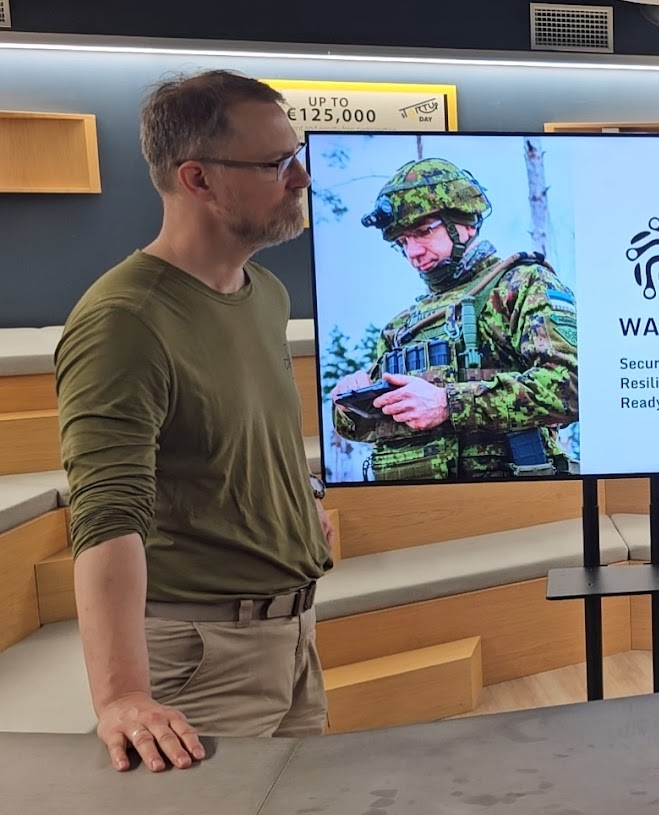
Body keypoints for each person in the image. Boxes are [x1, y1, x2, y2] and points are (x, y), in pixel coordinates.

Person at [55, 70, 335, 773]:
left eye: (297, 155)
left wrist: (299, 505)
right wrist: (123, 695)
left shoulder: (263, 293)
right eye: (277, 163)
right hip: (203, 661)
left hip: (293, 638)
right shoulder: (124, 320)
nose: (301, 178)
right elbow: (106, 514)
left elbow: (241, 435)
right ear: (198, 179)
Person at [327, 158, 579, 481]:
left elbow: (571, 387)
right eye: (402, 242)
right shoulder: (400, 328)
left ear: (466, 223)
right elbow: (371, 425)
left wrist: (449, 404)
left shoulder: (521, 285)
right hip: (407, 502)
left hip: (508, 496)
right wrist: (349, 405)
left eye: (423, 232)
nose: (413, 252)